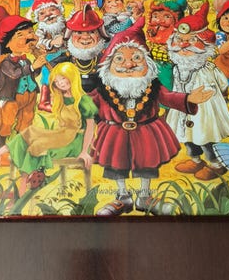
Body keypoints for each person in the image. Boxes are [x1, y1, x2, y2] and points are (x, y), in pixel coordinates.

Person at [87, 19, 214, 216]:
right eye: (119, 59)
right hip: (113, 134)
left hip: (146, 132)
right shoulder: (103, 89)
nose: (129, 64)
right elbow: (87, 104)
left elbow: (168, 97)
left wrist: (188, 98)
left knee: (147, 163)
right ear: (108, 63)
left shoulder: (152, 86)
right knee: (116, 164)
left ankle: (144, 197)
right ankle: (122, 198)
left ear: (147, 62)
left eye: (137, 58)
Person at [0, 62, 98, 194]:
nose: (61, 83)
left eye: (63, 78)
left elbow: (90, 127)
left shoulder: (83, 100)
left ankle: (21, 191)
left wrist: (84, 151)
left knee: (38, 145)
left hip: (76, 142)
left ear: (72, 76)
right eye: (57, 81)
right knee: (30, 132)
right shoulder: (61, 97)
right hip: (63, 134)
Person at [166, 1, 229, 180]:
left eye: (191, 41)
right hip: (183, 109)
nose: (183, 45)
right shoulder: (177, 68)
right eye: (180, 40)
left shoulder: (208, 69)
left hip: (205, 112)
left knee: (204, 136)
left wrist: (223, 96)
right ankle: (195, 160)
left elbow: (222, 84)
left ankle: (216, 164)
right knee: (186, 136)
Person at [0, 5, 46, 147]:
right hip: (10, 98)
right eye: (20, 35)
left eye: (30, 32)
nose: (29, 37)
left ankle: (21, 145)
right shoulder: (6, 62)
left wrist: (38, 65)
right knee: (6, 122)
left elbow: (33, 74)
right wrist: (32, 67)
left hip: (29, 95)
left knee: (26, 119)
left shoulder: (26, 60)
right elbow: (14, 74)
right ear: (8, 44)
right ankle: (0, 145)